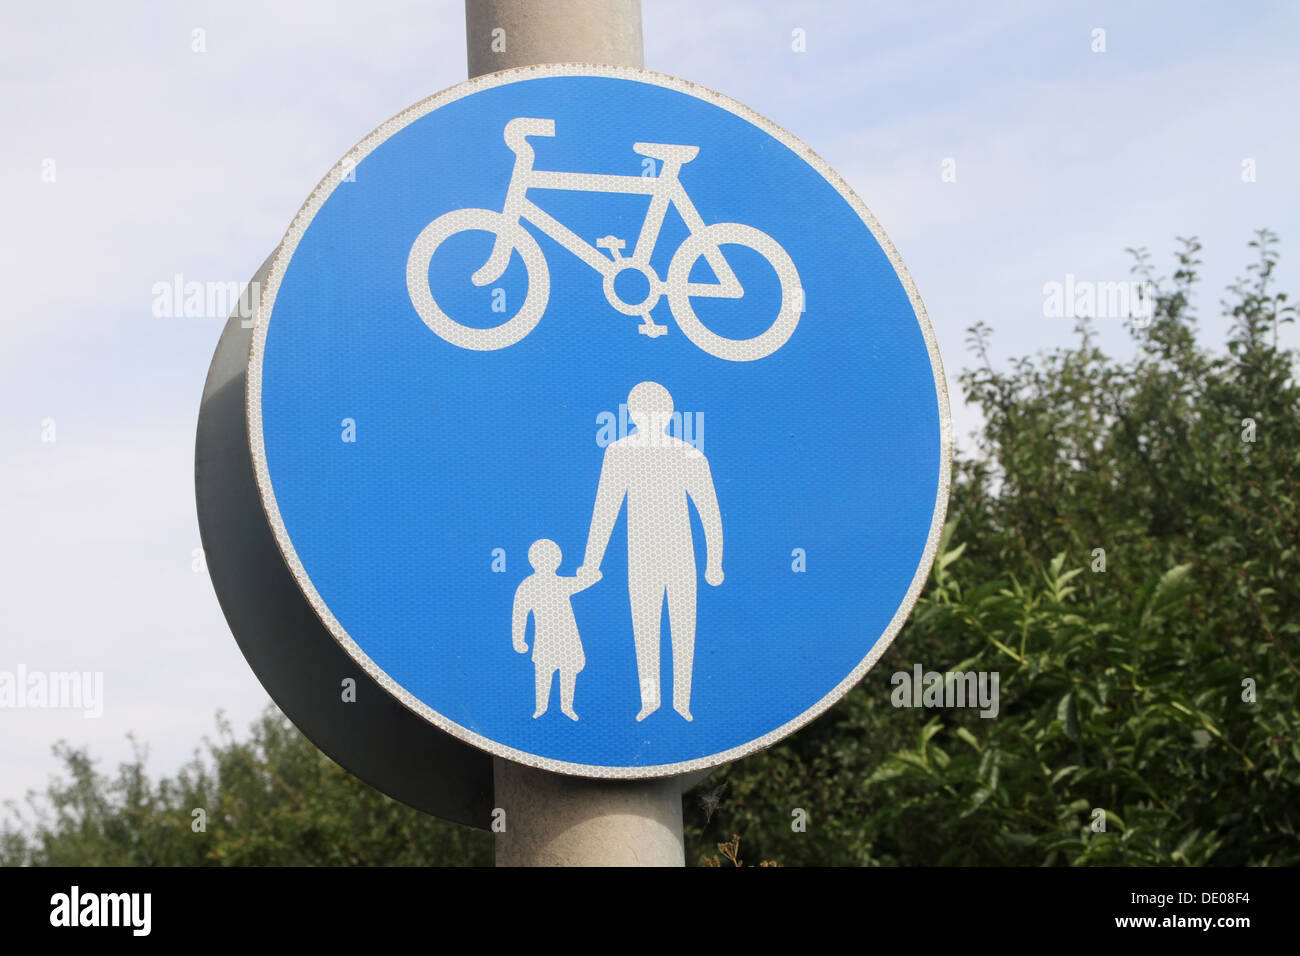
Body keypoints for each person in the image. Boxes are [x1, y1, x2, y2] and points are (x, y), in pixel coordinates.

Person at [579, 381, 723, 721]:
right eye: (642, 410)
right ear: (632, 414)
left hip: (681, 557)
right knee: (645, 629)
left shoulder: (689, 455)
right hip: (640, 558)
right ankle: (649, 700)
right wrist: (590, 562)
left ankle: (683, 702)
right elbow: (605, 512)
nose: (649, 416)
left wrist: (714, 561)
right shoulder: (619, 453)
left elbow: (709, 513)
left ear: (669, 413)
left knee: (683, 628)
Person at [512, 539, 600, 720]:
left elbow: (580, 583)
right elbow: (519, 614)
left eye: (552, 558)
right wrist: (518, 639)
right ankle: (540, 708)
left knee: (568, 671)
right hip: (544, 639)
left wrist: (592, 575)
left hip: (567, 637)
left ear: (557, 560)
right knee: (543, 672)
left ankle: (567, 707)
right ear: (533, 560)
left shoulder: (560, 582)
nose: (548, 562)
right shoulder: (528, 586)